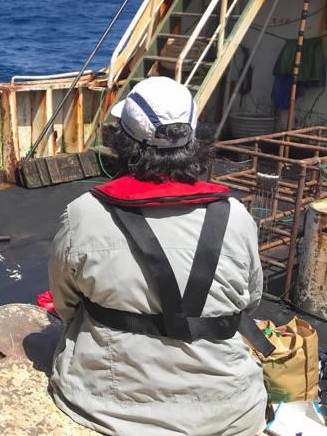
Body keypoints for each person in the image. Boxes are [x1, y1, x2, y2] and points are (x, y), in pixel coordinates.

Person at [48, 77, 266, 435]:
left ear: (122, 140)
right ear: (194, 141)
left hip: (106, 408)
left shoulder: (82, 215)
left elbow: (65, 304)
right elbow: (251, 301)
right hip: (229, 412)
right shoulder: (236, 216)